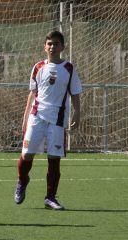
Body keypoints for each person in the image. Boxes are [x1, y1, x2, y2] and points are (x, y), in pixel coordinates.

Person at [14, 30, 82, 210]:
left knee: (54, 159)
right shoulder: (37, 67)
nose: (52, 47)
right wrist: (25, 117)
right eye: (49, 44)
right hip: (36, 117)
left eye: (56, 44)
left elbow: (75, 93)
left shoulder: (69, 68)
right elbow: (32, 94)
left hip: (58, 120)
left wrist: (77, 113)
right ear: (45, 46)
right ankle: (22, 181)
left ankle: (50, 197)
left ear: (62, 47)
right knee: (27, 154)